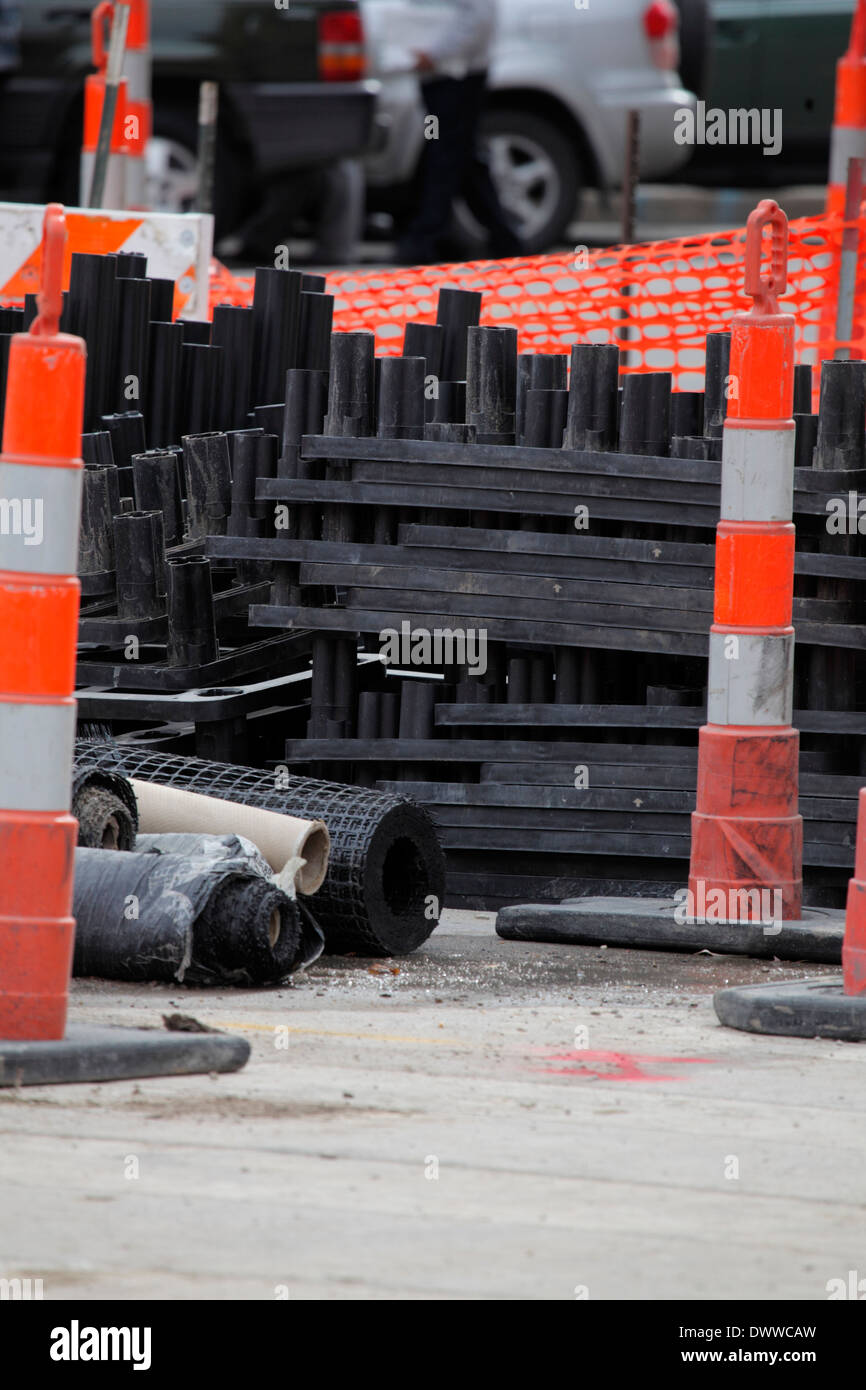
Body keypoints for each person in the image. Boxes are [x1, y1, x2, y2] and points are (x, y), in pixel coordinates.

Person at [395, 0, 522, 265]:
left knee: (446, 155)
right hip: (436, 76)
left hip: (457, 75)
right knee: (458, 155)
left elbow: (478, 17)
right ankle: (502, 239)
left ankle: (424, 238)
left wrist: (435, 54)